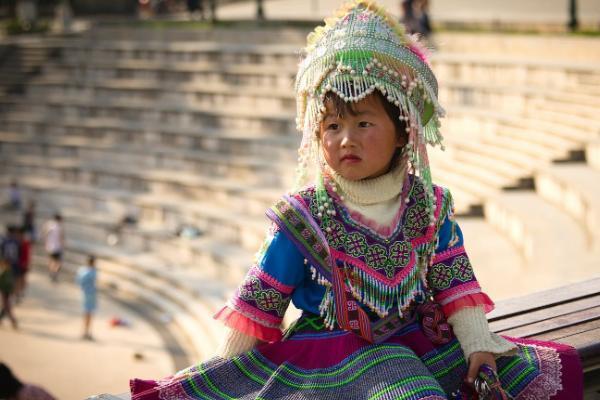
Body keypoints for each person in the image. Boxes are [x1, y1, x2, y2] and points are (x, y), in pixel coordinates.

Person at [130, 1, 583, 398]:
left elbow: (456, 287)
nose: (345, 139)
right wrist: (216, 379)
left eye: (364, 123)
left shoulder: (428, 206)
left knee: (543, 373)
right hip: (333, 360)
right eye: (332, 126)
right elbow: (258, 304)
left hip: (418, 342)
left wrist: (478, 348)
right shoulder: (303, 217)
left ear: (403, 130)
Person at [76, 255, 98, 340]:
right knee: (89, 314)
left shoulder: (82, 270)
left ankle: (85, 332)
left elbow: (78, 281)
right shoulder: (93, 271)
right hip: (90, 294)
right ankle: (86, 332)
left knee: (86, 313)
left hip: (85, 293)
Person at [43, 214, 64, 282]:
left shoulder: (49, 225)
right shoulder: (59, 227)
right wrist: (62, 245)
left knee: (51, 260)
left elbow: (45, 233)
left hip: (50, 246)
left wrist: (46, 242)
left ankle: (51, 272)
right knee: (58, 262)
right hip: (57, 247)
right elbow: (61, 237)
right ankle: (54, 274)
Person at [0, 256, 18, 329]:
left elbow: (12, 283)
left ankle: (12, 320)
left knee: (6, 307)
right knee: (6, 307)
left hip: (8, 292)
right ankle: (13, 321)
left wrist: (13, 290)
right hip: (4, 292)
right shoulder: (3, 272)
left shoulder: (9, 272)